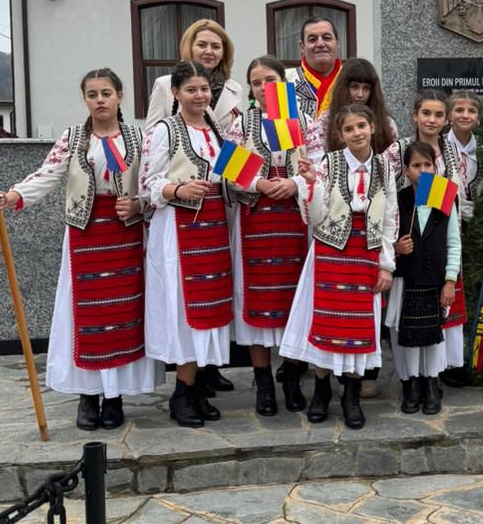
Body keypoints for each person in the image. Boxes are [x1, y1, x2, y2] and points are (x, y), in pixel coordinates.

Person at [0, 68, 160, 429]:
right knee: (86, 316)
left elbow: (150, 181)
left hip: (125, 233)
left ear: (120, 96)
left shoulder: (138, 137)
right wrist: (14, 195)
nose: (100, 100)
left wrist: (139, 204)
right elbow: (47, 174)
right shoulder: (74, 138)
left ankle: (114, 396)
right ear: (85, 99)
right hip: (85, 233)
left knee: (122, 315)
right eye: (92, 94)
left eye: (106, 93)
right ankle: (88, 395)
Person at [280, 101, 397, 430]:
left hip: (366, 253)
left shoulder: (385, 168)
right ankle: (321, 390)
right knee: (327, 321)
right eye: (349, 129)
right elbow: (315, 216)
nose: (356, 133)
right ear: (340, 135)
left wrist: (386, 265)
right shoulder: (327, 164)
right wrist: (311, 185)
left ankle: (351, 395)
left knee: (358, 326)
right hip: (330, 252)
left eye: (361, 126)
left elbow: (390, 218)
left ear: (373, 128)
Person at [141, 60, 235, 428]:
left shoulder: (216, 129)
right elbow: (149, 184)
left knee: (207, 308)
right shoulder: (164, 130)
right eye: (191, 90)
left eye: (205, 89)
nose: (200, 96)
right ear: (176, 93)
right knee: (183, 309)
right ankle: (182, 393)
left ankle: (196, 389)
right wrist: (177, 189)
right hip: (178, 231)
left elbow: (234, 173)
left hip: (212, 228)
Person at [230, 54, 312, 416]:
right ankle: (263, 382)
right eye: (256, 83)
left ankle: (291, 376)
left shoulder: (302, 120)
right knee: (257, 298)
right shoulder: (242, 123)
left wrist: (295, 182)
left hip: (295, 219)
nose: (263, 88)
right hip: (255, 219)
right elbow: (227, 166)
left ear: (284, 83)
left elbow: (320, 163)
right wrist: (259, 182)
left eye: (270, 81)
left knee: (294, 298)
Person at [387, 140, 460, 416]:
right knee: (407, 334)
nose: (422, 170)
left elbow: (453, 242)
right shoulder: (399, 199)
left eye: (428, 164)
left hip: (435, 279)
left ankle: (431, 382)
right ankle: (411, 384)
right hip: (406, 279)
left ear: (435, 167)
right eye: (416, 165)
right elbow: (385, 235)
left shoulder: (444, 196)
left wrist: (450, 280)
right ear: (406, 170)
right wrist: (396, 248)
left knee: (433, 335)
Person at [406, 92, 467, 376]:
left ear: (446, 119)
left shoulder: (450, 149)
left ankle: (443, 367)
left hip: (443, 231)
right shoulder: (401, 148)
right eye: (426, 113)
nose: (432, 120)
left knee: (446, 295)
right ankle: (417, 373)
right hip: (414, 235)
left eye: (439, 115)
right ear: (415, 116)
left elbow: (456, 188)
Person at [145, 19, 242, 131]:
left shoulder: (235, 89)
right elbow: (152, 134)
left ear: (224, 52)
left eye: (216, 47)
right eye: (202, 45)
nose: (209, 51)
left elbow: (238, 134)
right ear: (189, 48)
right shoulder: (164, 85)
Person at [323, 57, 400, 174]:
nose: (360, 94)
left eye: (366, 88)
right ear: (343, 88)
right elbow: (318, 165)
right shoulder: (325, 121)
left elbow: (394, 166)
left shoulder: (387, 123)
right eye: (355, 87)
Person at [292, 15, 343, 125]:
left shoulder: (354, 79)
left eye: (326, 38)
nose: (320, 44)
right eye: (312, 39)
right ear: (302, 46)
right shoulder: (284, 81)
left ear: (338, 43)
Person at [445, 91, 481, 225]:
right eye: (459, 110)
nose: (465, 116)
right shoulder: (436, 146)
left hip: (482, 225)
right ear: (449, 115)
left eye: (472, 111)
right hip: (444, 223)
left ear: (478, 117)